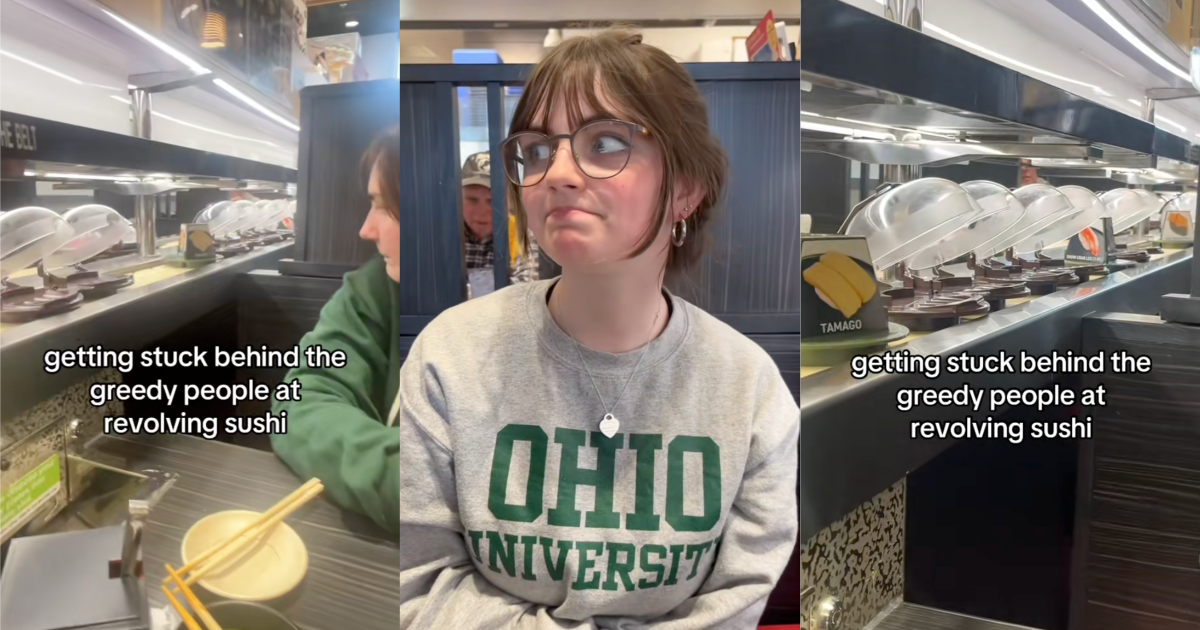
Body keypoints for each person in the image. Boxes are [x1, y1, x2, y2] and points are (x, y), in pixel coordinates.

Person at [399, 29, 799, 629]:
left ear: (686, 188)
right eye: (535, 151)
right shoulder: (449, 357)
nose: (556, 172)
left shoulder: (749, 389)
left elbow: (734, 605)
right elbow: (421, 585)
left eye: (606, 142)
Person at [270, 126, 401, 532]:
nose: (366, 229)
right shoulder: (374, 289)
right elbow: (300, 400)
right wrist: (403, 479)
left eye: (382, 205)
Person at [461, 151, 541, 297]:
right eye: (472, 200)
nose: (482, 212)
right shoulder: (446, 233)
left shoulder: (517, 232)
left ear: (509, 201)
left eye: (492, 201)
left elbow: (523, 294)